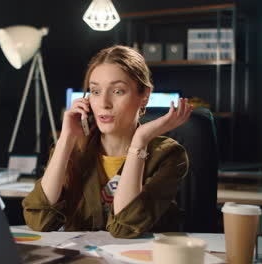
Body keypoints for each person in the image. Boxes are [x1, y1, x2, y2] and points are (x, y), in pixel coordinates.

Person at [22, 45, 192, 238]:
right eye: (95, 91)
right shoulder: (73, 147)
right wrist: (65, 139)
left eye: (118, 91)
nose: (104, 103)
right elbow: (39, 220)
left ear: (144, 96)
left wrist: (139, 143)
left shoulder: (169, 155)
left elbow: (125, 226)